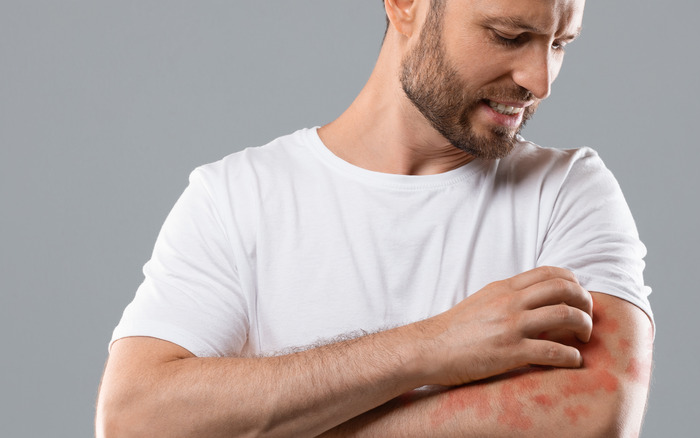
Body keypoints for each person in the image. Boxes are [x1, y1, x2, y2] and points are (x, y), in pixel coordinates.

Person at [96, 0, 654, 436]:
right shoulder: (237, 196)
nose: (541, 79)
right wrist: (432, 346)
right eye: (508, 36)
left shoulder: (567, 191)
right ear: (404, 6)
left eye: (560, 43)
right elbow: (134, 420)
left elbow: (595, 413)